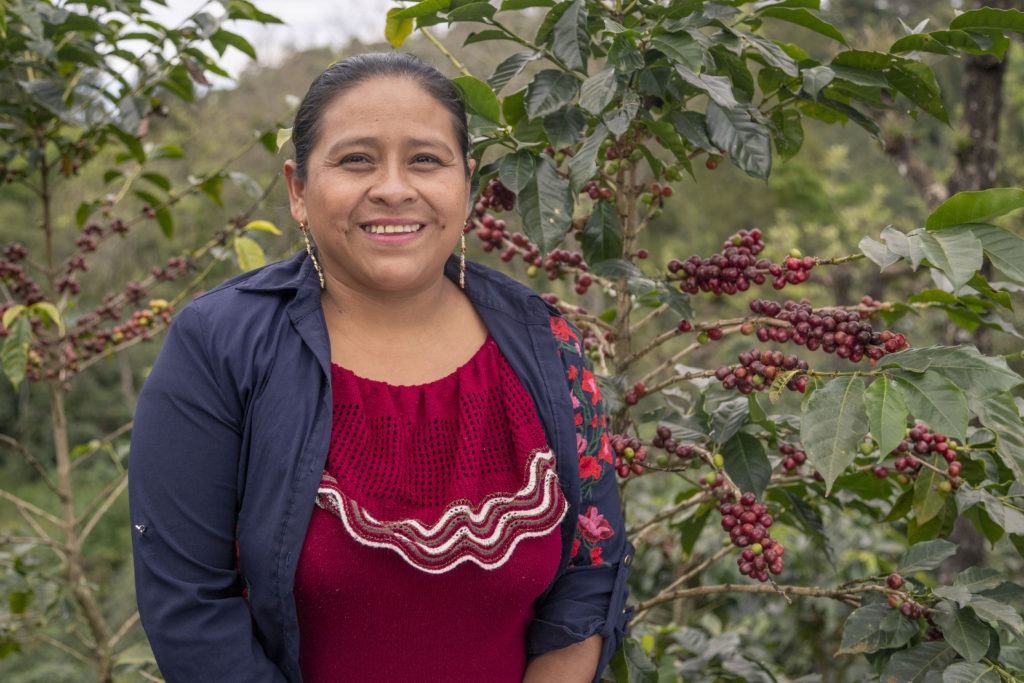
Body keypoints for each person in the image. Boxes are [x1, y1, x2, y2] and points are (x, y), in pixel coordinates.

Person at [129, 52, 633, 682]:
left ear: (468, 185)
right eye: (356, 160)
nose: (394, 187)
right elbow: (190, 605)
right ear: (298, 190)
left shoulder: (545, 343)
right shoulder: (220, 345)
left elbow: (591, 567)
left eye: (425, 159)